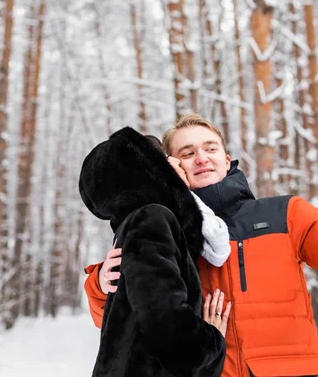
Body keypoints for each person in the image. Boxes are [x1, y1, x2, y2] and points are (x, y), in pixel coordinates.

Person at [84, 115, 318, 377]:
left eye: (210, 148)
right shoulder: (162, 230)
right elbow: (130, 324)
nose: (201, 158)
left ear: (226, 159)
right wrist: (100, 284)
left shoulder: (284, 214)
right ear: (170, 166)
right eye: (187, 153)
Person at [79, 127, 231, 377]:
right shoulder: (153, 219)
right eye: (164, 160)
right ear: (149, 173)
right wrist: (211, 342)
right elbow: (164, 323)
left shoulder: (132, 226)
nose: (176, 164)